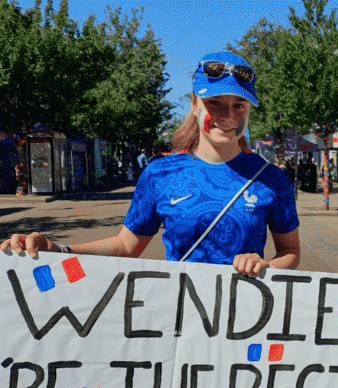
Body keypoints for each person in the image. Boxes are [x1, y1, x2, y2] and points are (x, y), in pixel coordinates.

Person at [1, 52, 300, 277]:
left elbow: (290, 252)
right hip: (180, 319)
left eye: (239, 105)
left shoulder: (272, 179)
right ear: (195, 104)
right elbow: (126, 246)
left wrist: (265, 266)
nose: (228, 115)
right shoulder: (160, 173)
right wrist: (59, 250)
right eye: (215, 104)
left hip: (245, 318)